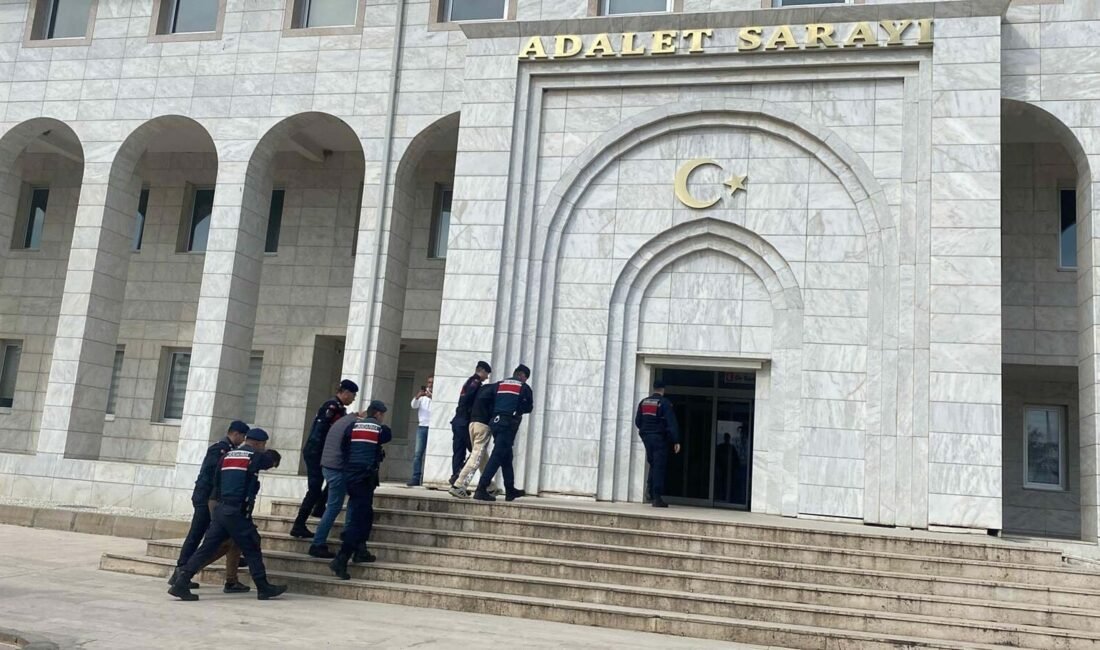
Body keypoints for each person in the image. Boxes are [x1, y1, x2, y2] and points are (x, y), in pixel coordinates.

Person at [169, 428, 287, 601]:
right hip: (236, 511)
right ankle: (263, 587)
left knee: (207, 548)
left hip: (221, 508)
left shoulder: (227, 456)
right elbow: (269, 460)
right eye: (263, 444)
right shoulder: (253, 456)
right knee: (252, 545)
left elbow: (217, 483)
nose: (263, 447)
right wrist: (269, 455)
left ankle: (181, 581)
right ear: (258, 443)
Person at [169, 420, 249, 590]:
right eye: (242, 437)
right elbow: (214, 473)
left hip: (209, 497)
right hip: (205, 497)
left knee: (205, 534)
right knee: (197, 533)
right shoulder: (219, 449)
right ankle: (181, 569)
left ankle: (183, 570)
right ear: (235, 433)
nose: (242, 441)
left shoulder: (228, 450)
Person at [330, 401, 393, 580]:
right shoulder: (379, 429)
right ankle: (341, 559)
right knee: (359, 519)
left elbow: (344, 447)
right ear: (379, 414)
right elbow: (388, 435)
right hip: (364, 477)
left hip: (350, 475)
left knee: (366, 515)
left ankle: (361, 550)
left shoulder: (353, 426)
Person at [291, 379, 358, 539]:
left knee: (333, 481)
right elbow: (321, 433)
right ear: (345, 393)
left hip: (322, 454)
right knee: (315, 489)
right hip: (316, 453)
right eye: (353, 395)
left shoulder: (339, 409)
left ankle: (319, 508)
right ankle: (299, 524)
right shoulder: (332, 407)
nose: (354, 398)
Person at [473, 365, 534, 503]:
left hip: (495, 422)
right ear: (522, 375)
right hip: (508, 424)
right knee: (498, 455)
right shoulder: (523, 387)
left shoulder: (499, 384)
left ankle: (510, 489)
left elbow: (484, 397)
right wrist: (517, 410)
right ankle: (481, 488)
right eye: (526, 377)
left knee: (506, 456)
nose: (525, 380)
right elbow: (528, 407)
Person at [449, 380, 501, 498]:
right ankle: (459, 485)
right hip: (483, 426)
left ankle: (489, 486)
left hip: (472, 424)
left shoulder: (482, 391)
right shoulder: (494, 394)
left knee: (481, 457)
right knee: (476, 457)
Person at [635, 380, 681, 508]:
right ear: (663, 389)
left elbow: (638, 421)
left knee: (653, 464)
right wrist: (676, 440)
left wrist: (646, 431)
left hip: (646, 437)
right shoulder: (664, 403)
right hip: (659, 438)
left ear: (653, 388)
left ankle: (650, 490)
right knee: (659, 466)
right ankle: (657, 497)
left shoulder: (643, 402)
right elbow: (671, 423)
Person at [448, 361, 491, 489]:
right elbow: (469, 398)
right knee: (476, 452)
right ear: (481, 371)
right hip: (464, 421)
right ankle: (458, 478)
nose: (487, 377)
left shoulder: (469, 381)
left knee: (459, 452)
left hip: (458, 421)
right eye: (486, 373)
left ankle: (455, 478)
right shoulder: (475, 382)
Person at [406, 376, 433, 487]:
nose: (430, 384)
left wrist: (431, 396)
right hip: (422, 427)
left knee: (431, 454)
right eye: (428, 382)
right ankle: (416, 477)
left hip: (433, 428)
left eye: (432, 382)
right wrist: (418, 396)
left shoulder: (437, 396)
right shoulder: (422, 397)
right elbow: (413, 405)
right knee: (418, 454)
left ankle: (429, 477)